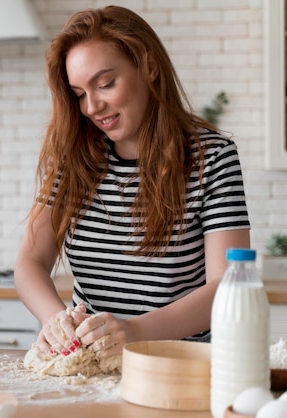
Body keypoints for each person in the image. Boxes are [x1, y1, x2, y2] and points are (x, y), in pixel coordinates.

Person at [14, 6, 250, 360]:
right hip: (90, 359)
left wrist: (134, 331)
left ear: (149, 67)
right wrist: (56, 319)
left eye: (106, 83)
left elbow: (226, 286)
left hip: (179, 361)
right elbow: (30, 261)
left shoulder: (212, 157)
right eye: (79, 93)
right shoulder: (73, 158)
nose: (92, 106)